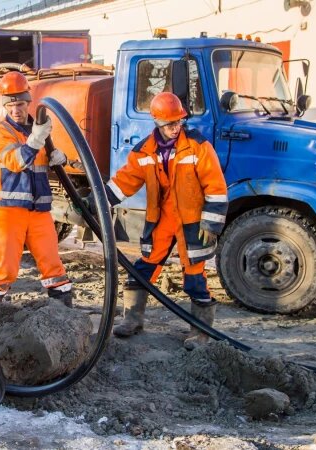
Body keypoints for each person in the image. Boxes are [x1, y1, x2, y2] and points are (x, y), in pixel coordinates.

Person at [103, 92, 228, 349]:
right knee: (143, 269)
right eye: (170, 124)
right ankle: (133, 319)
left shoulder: (197, 146)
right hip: (161, 221)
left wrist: (211, 223)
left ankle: (200, 332)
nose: (175, 128)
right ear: (157, 123)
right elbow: (124, 182)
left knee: (195, 275)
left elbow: (215, 185)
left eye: (179, 122)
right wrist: (97, 201)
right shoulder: (144, 151)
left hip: (191, 223)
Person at [0, 71, 73, 309]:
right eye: (11, 105)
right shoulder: (1, 132)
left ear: (28, 102)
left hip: (39, 211)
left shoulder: (37, 130)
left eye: (20, 104)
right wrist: (37, 139)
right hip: (9, 211)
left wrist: (59, 159)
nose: (16, 109)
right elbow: (16, 162)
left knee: (53, 266)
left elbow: (40, 165)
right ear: (5, 105)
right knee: (5, 270)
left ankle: (65, 317)